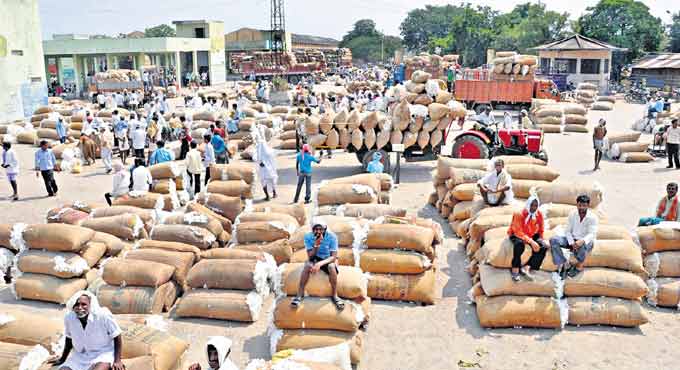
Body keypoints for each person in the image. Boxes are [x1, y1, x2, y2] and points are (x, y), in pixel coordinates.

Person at [48, 291, 124, 370]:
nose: (80, 307)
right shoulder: (69, 318)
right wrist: (62, 359)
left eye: (84, 304)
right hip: (80, 356)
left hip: (102, 354)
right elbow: (69, 339)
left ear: (90, 305)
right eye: (76, 304)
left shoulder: (102, 315)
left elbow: (117, 335)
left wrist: (117, 360)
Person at [290, 219, 344, 310]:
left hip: (328, 259)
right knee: (307, 266)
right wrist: (316, 245)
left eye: (321, 229)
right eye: (316, 229)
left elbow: (333, 257)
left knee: (331, 267)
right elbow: (310, 255)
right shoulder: (308, 237)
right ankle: (300, 294)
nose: (318, 232)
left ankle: (335, 295)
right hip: (315, 257)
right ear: (312, 229)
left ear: (325, 229)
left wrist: (319, 264)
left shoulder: (332, 237)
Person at [549, 195, 598, 279]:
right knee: (553, 240)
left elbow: (592, 234)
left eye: (584, 206)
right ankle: (563, 264)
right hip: (572, 239)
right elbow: (567, 231)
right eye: (580, 205)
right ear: (577, 204)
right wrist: (572, 243)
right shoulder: (572, 214)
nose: (581, 208)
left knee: (582, 247)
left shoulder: (593, 217)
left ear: (588, 206)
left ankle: (579, 266)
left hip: (586, 242)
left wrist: (581, 241)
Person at [507, 195, 547, 281]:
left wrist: (541, 240)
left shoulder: (538, 214)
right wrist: (531, 242)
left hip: (531, 234)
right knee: (519, 245)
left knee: (543, 246)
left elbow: (541, 229)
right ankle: (515, 268)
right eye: (532, 205)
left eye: (536, 205)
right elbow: (518, 231)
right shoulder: (519, 213)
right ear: (528, 204)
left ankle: (527, 267)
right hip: (516, 234)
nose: (533, 207)